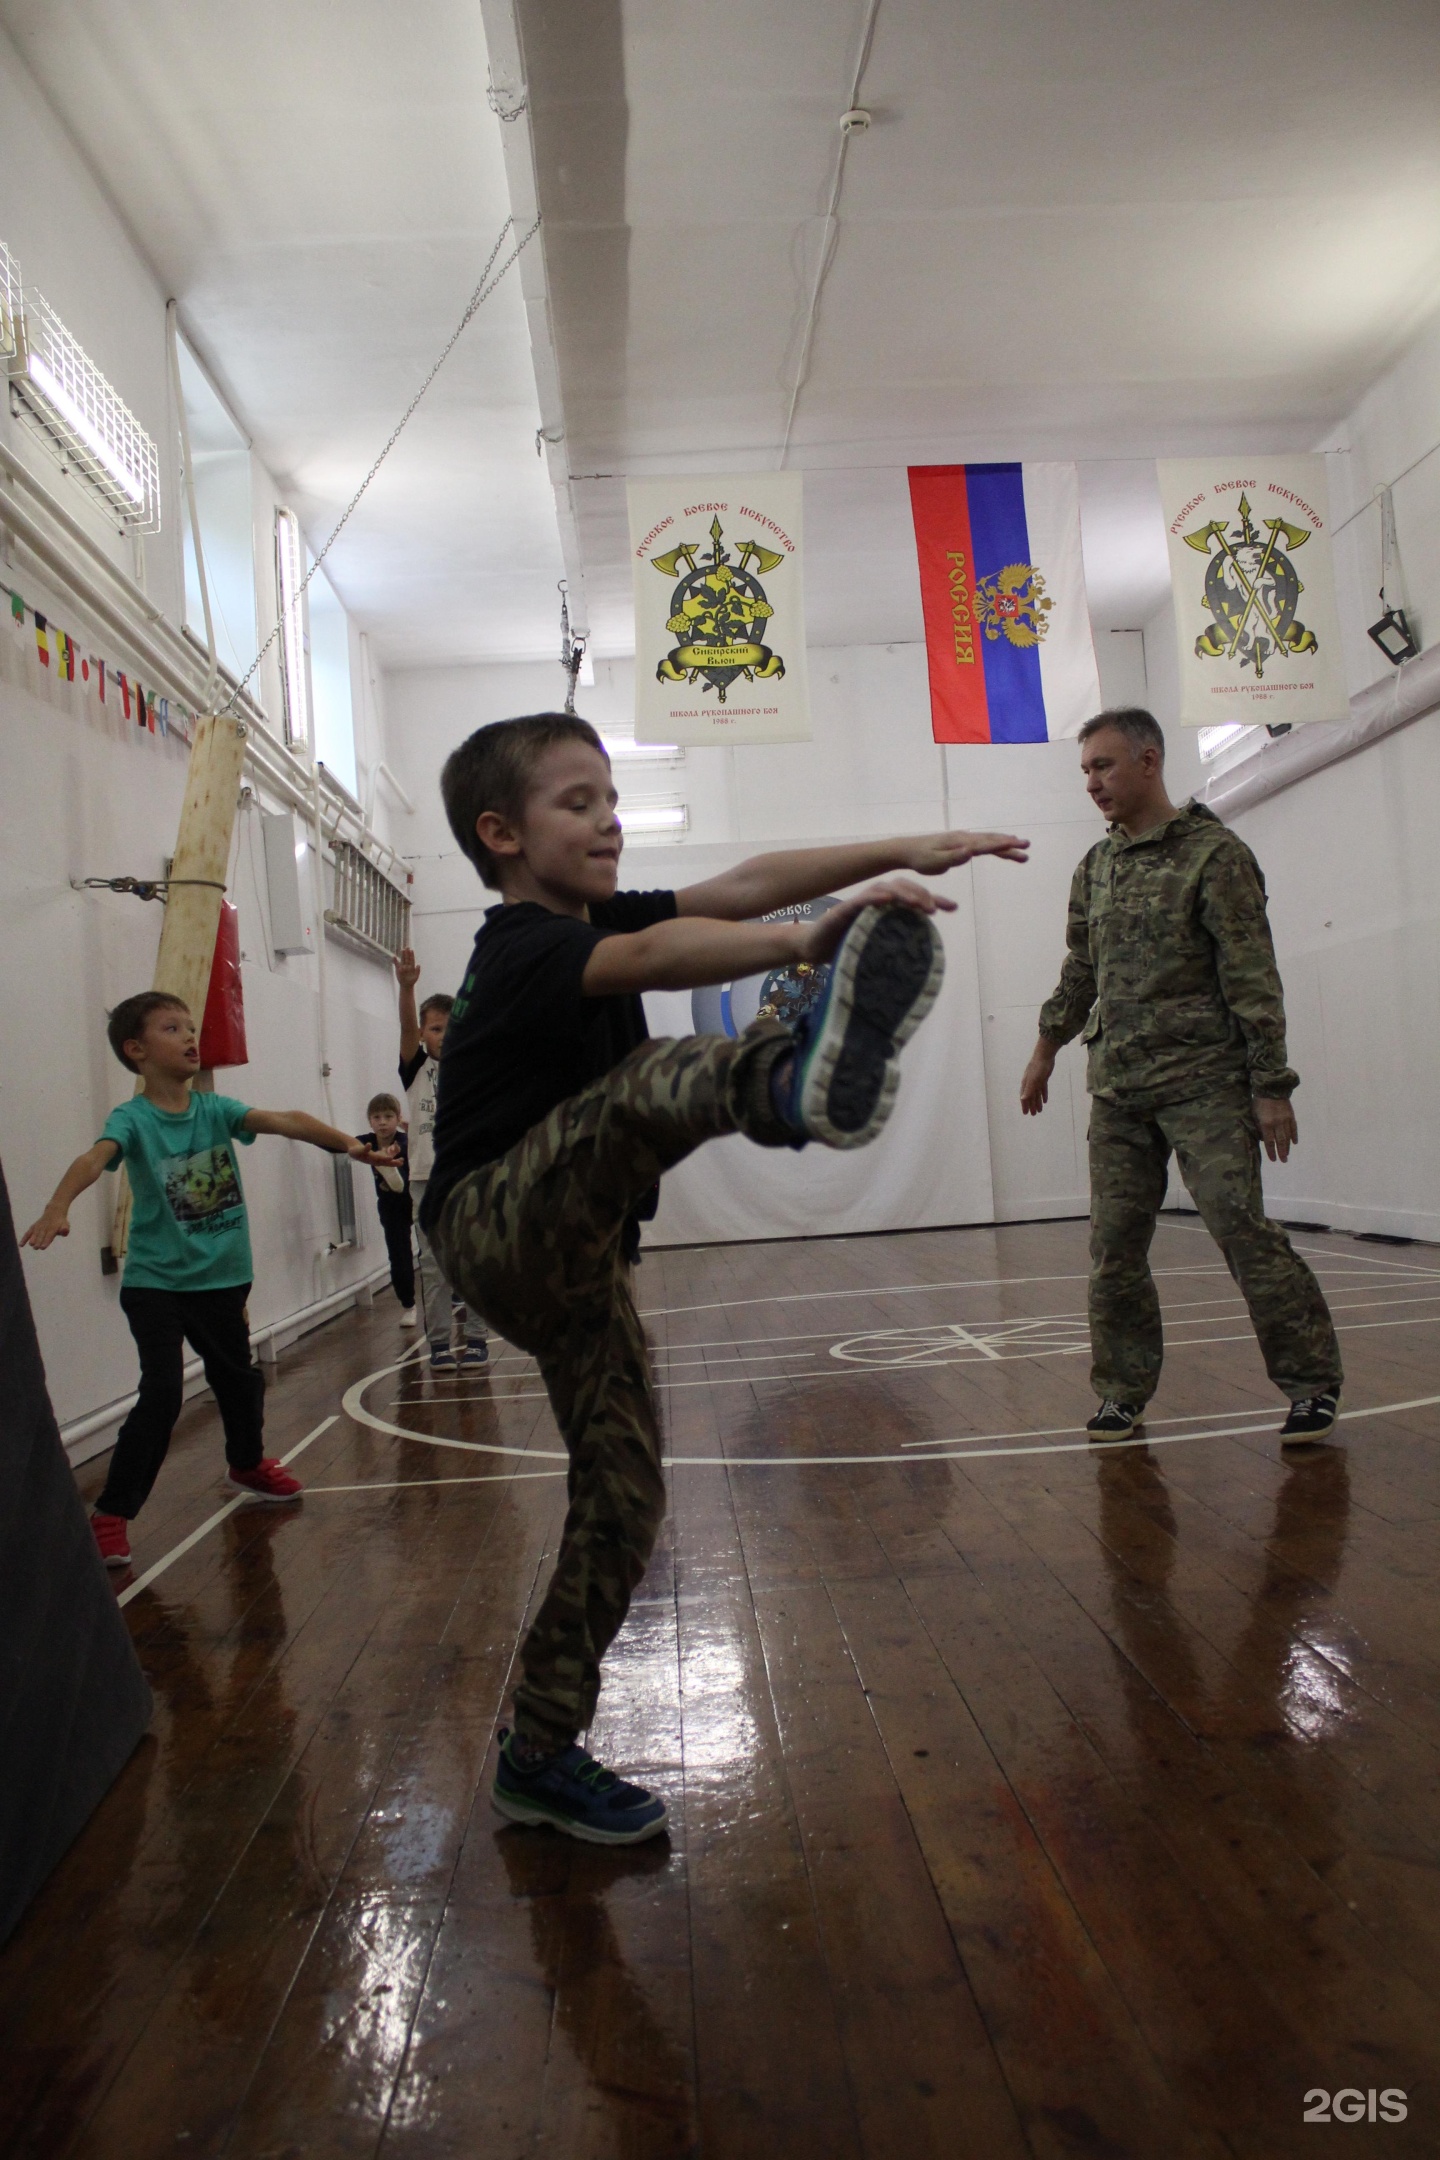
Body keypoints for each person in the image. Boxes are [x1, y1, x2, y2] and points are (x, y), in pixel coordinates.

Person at [421, 710, 1030, 1844]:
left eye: (612, 800)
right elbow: (658, 959)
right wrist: (807, 950)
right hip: (492, 1225)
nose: (608, 822)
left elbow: (747, 882)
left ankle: (538, 1751)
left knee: (624, 1502)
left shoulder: (602, 913)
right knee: (648, 1079)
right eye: (578, 803)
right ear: (499, 834)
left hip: (582, 1258)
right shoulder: (521, 949)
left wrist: (907, 847)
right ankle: (788, 1084)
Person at [1019, 706, 1342, 1447]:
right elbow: (1082, 969)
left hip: (1205, 1084)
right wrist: (1045, 1049)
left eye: (1103, 766)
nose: (1092, 784)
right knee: (1114, 1250)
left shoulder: (1214, 855)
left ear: (1149, 761)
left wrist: (1271, 1087)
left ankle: (1312, 1381)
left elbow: (1253, 978)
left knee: (1239, 1227)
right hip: (1120, 1089)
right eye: (1085, 771)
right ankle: (1120, 1394)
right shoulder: (1095, 867)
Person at [21, 991, 397, 1571]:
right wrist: (56, 1207)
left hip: (222, 1278)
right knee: (163, 1393)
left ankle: (246, 1464)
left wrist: (352, 1146)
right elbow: (94, 1158)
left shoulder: (213, 1110)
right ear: (137, 1050)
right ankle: (110, 1516)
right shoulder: (134, 1119)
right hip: (157, 1283)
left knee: (239, 1382)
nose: (191, 1036)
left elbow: (288, 1121)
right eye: (173, 1028)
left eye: (191, 1026)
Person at [393, 952, 488, 1374]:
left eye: (452, 1028)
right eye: (435, 1029)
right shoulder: (416, 1070)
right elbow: (405, 1028)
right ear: (423, 1034)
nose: (444, 1036)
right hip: (425, 1182)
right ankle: (437, 1343)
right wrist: (408, 987)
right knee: (434, 1267)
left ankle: (476, 1339)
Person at [357, 1091, 415, 1324]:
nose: (382, 1122)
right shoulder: (366, 1141)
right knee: (399, 1255)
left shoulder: (402, 1140)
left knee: (432, 1251)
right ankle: (409, 1305)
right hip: (391, 1206)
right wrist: (307, 1136)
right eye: (377, 1117)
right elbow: (338, 1144)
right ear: (370, 1120)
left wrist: (392, 1151)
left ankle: (453, 1292)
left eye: (388, 1117)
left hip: (416, 1198)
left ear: (398, 1118)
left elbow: (405, 1143)